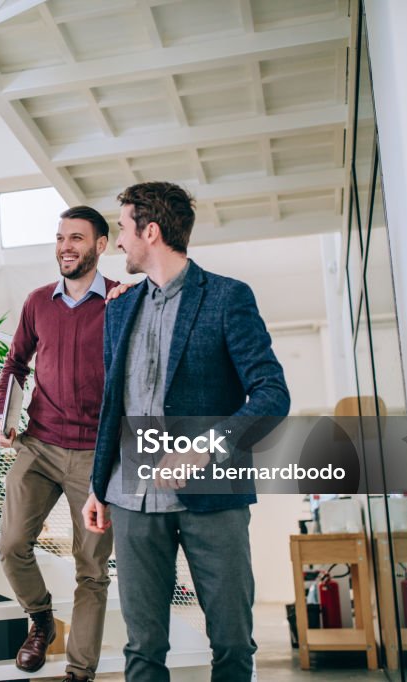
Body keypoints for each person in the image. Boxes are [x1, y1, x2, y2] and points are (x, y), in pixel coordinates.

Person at [82, 182, 290, 682]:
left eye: (123, 230)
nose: (117, 244)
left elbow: (271, 395)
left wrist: (205, 446)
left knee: (233, 641)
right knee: (143, 648)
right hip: (131, 498)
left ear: (150, 231)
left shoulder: (227, 298)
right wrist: (98, 484)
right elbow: (115, 403)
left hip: (213, 497)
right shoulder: (118, 308)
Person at [0, 206, 119, 681]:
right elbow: (15, 365)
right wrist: (4, 417)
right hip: (39, 445)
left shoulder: (120, 302)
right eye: (61, 237)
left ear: (100, 246)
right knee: (10, 544)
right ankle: (41, 618)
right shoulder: (38, 302)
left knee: (91, 568)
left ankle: (79, 673)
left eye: (78, 238)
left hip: (95, 456)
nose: (66, 246)